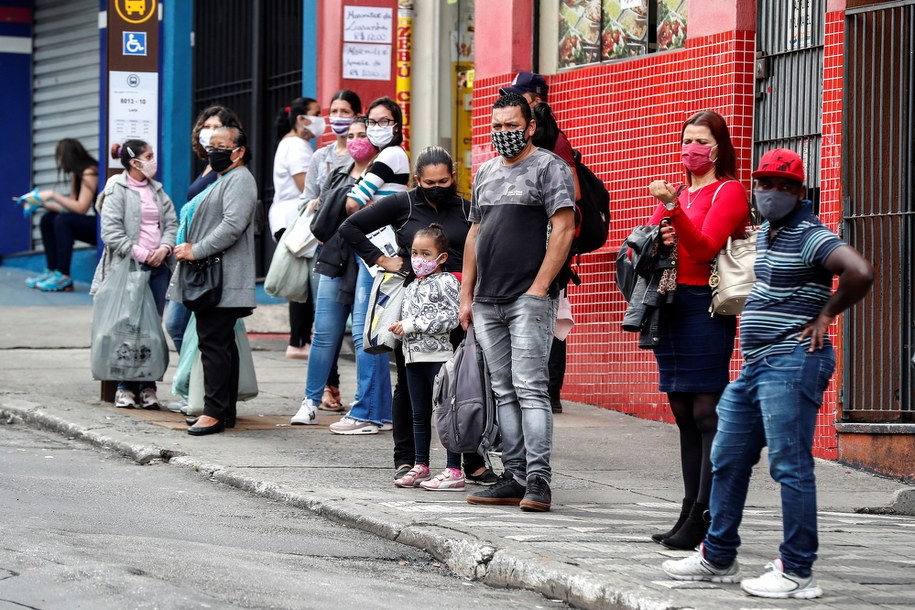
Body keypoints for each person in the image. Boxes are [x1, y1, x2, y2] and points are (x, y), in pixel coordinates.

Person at [661, 148, 874, 599]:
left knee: (789, 466)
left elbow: (860, 272)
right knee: (727, 457)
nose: (772, 193)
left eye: (784, 186)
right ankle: (717, 556)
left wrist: (826, 315)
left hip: (792, 362)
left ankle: (796, 570)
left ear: (800, 191)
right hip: (756, 366)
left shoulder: (811, 235)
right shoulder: (768, 233)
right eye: (764, 185)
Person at [339, 146, 495, 484]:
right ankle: (408, 459)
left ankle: (471, 461)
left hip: (458, 305)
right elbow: (350, 227)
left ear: (453, 177)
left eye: (444, 181)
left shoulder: (467, 207)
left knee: (464, 383)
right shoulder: (403, 204)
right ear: (416, 180)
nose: (437, 187)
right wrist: (383, 260)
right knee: (409, 386)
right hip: (412, 307)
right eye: (429, 182)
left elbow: (483, 247)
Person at [637, 111, 750, 550]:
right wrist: (659, 233)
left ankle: (707, 513)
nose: (691, 148)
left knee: (706, 414)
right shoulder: (681, 191)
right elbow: (654, 240)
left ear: (718, 147)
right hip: (670, 305)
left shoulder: (729, 191)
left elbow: (703, 249)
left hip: (705, 306)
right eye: (686, 139)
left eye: (701, 140)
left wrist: (672, 210)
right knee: (683, 413)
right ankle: (688, 510)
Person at [460, 93, 575, 512]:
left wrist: (539, 288)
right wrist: (466, 295)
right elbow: (474, 233)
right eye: (497, 126)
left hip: (529, 299)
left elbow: (564, 229)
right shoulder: (485, 172)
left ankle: (538, 480)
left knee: (530, 388)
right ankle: (515, 476)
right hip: (487, 300)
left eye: (511, 126)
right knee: (504, 390)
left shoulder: (549, 167)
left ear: (529, 127)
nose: (503, 133)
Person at [322, 97, 410, 435]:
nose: (376, 127)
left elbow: (352, 202)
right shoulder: (386, 157)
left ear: (397, 125)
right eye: (372, 121)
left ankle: (366, 413)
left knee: (366, 334)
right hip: (374, 253)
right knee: (371, 333)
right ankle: (379, 411)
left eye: (384, 120)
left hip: (377, 255)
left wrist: (364, 200)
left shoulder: (389, 155)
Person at [168, 126, 258, 436]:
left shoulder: (240, 180)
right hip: (216, 278)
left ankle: (214, 413)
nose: (213, 152)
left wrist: (196, 249)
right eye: (211, 146)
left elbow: (232, 225)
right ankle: (224, 411)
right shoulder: (225, 179)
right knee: (221, 343)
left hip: (222, 279)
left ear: (239, 151)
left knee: (213, 344)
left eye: (221, 146)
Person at [289, 117, 377, 425]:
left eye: (362, 134)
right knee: (324, 333)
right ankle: (310, 401)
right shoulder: (337, 175)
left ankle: (366, 404)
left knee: (363, 337)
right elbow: (320, 220)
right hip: (334, 259)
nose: (354, 141)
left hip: (369, 261)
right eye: (351, 135)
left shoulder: (383, 175)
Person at [502, 72, 580, 414]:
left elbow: (574, 193)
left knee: (551, 316)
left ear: (535, 102)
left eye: (520, 97)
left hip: (550, 246)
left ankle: (551, 392)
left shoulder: (555, 142)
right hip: (519, 250)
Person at [164, 105, 243, 414]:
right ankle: (200, 393)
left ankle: (208, 400)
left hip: (209, 264)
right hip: (191, 261)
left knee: (208, 337)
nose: (210, 133)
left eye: (217, 127)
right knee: (187, 329)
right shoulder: (208, 168)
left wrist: (196, 249)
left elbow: (230, 223)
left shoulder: (231, 175)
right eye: (206, 127)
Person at [91, 139, 178, 409]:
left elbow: (172, 224)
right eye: (148, 156)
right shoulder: (116, 189)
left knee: (152, 329)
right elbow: (110, 232)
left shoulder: (157, 190)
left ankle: (148, 387)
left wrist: (164, 248)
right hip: (129, 268)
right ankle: (124, 387)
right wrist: (141, 253)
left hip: (158, 268)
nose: (153, 160)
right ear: (134, 162)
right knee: (128, 327)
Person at [387, 224, 465, 490]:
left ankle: (454, 469)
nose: (418, 259)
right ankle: (421, 465)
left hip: (438, 359)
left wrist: (411, 325)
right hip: (413, 359)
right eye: (414, 253)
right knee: (418, 415)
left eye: (426, 254)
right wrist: (397, 328)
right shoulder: (411, 286)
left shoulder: (447, 282)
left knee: (447, 413)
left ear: (441, 257)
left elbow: (451, 317)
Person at [300, 89, 362, 411]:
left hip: (357, 248)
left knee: (357, 326)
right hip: (325, 247)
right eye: (333, 111)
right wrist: (315, 204)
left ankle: (363, 398)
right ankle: (329, 386)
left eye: (345, 111)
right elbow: (306, 199)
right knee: (324, 324)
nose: (338, 117)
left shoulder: (363, 157)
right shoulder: (320, 157)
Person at [270, 96, 322, 360]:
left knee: (300, 279)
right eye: (316, 113)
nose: (320, 119)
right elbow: (307, 186)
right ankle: (299, 341)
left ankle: (299, 340)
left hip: (287, 217)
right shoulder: (297, 146)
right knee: (302, 281)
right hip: (295, 219)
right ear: (301, 119)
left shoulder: (289, 144)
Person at [23, 138, 99, 292]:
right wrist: (40, 203)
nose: (59, 162)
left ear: (67, 157)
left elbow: (81, 208)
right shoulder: (77, 174)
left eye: (60, 158)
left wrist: (53, 194)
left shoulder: (90, 172)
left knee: (63, 220)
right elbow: (70, 207)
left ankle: (63, 276)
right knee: (48, 219)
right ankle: (52, 271)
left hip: (104, 227)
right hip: (94, 225)